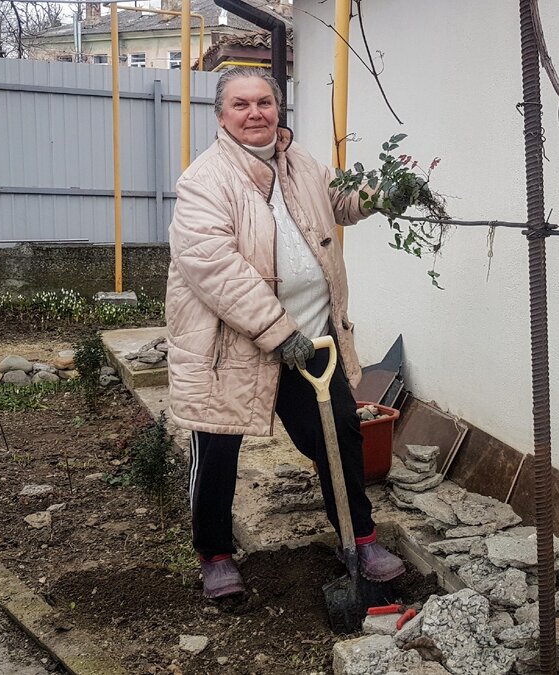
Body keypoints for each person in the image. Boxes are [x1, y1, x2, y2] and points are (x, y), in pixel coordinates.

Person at [165, 67, 406, 599]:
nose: (256, 114)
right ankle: (216, 554)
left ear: (279, 109)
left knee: (339, 433)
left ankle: (359, 538)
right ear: (221, 115)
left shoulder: (301, 164)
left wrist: (384, 193)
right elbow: (213, 267)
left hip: (311, 338)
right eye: (241, 105)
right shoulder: (204, 181)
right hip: (230, 344)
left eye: (265, 103)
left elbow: (339, 201)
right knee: (218, 449)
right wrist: (278, 331)